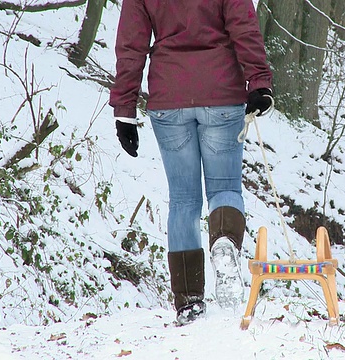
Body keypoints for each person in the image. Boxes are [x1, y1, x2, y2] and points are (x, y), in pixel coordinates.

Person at [109, 0, 273, 325]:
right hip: (221, 91)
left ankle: (188, 303)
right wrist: (259, 81)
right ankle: (224, 242)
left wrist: (125, 109)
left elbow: (132, 43)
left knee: (183, 199)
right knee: (225, 187)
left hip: (169, 97)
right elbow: (244, 25)